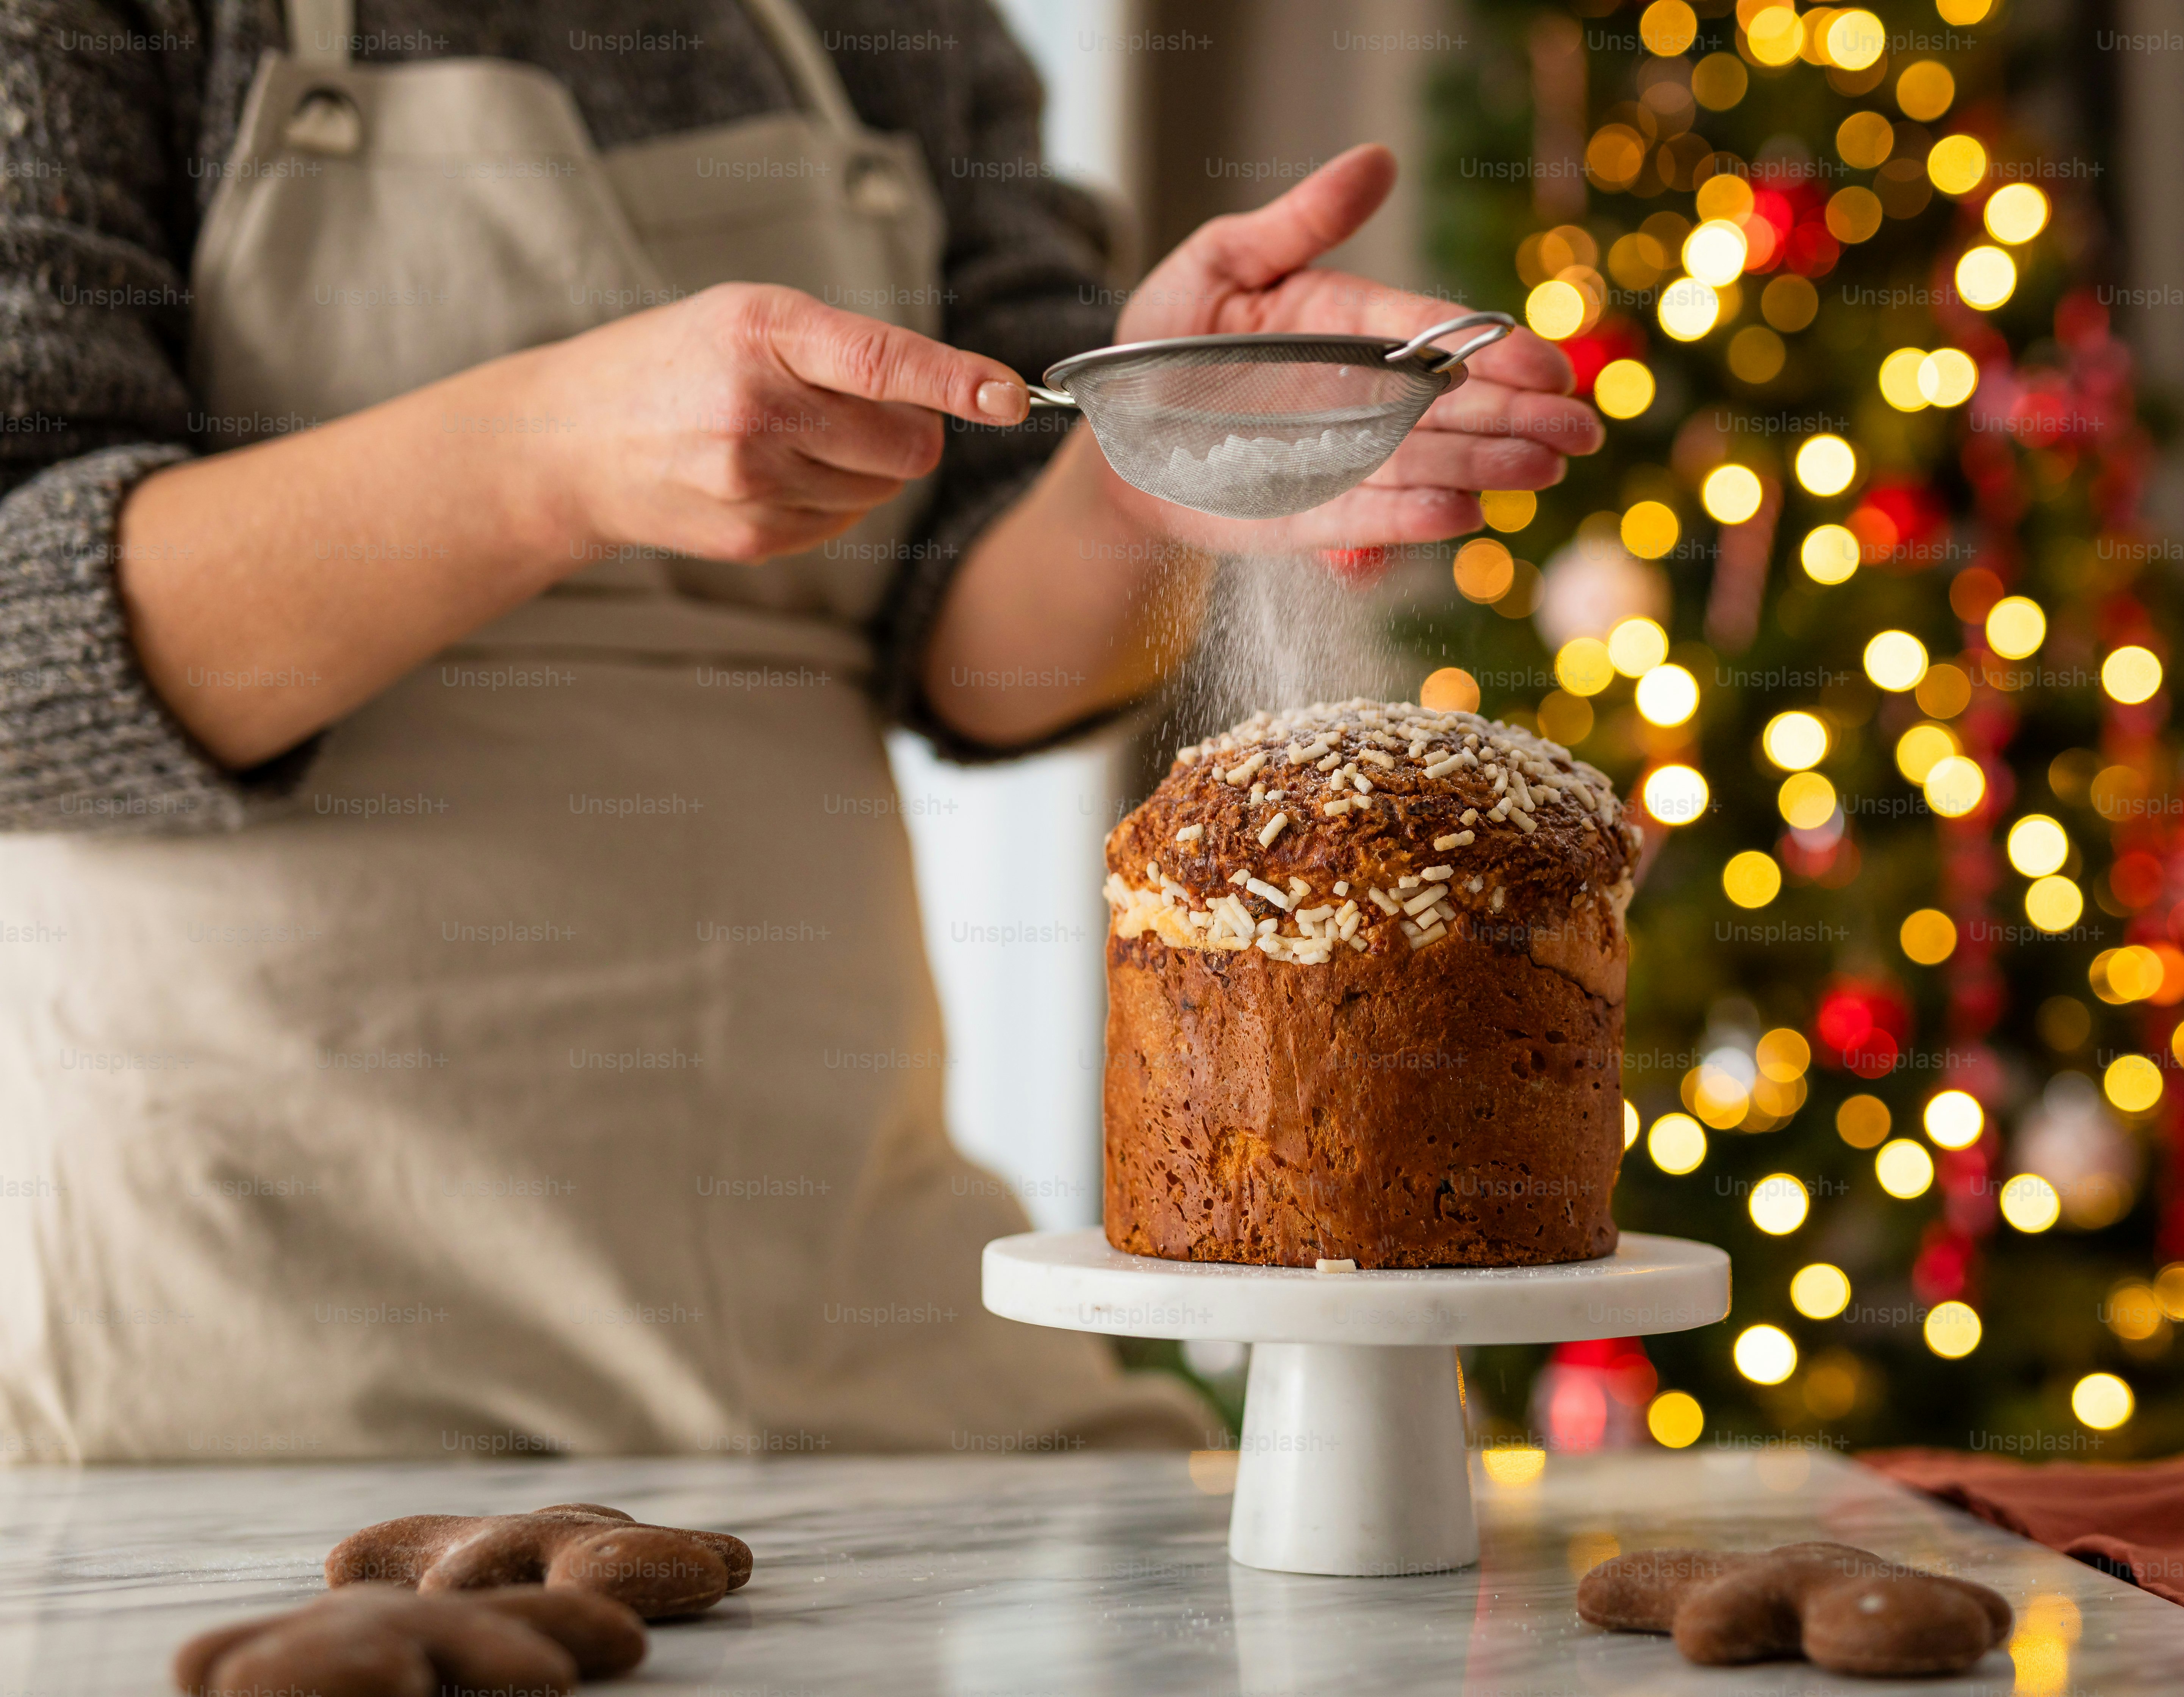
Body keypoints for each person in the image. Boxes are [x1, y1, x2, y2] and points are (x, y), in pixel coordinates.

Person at [0, 0, 1599, 1462]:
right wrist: (541, 454)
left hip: (853, 1304)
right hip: (261, 1331)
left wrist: (1138, 480)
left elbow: (974, 664)